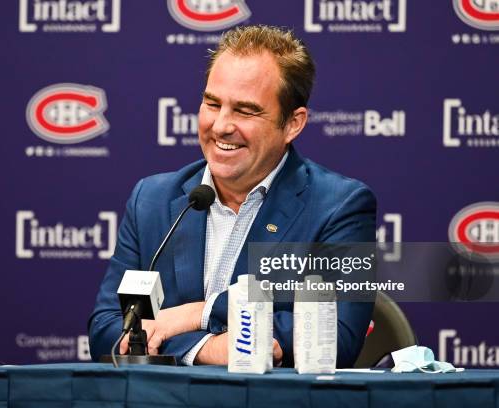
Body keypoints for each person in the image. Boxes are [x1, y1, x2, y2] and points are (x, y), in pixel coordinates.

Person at [89, 25, 376, 367]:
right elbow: (108, 332)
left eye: (245, 110)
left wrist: (199, 314)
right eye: (212, 103)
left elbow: (337, 335)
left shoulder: (339, 206)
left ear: (292, 124)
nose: (221, 125)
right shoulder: (151, 200)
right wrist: (208, 349)